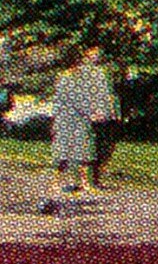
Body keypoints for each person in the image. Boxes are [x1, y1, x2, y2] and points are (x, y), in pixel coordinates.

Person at [48, 45, 121, 195]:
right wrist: (91, 112)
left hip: (82, 119)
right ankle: (56, 183)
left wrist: (106, 112)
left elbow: (100, 95)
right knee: (63, 152)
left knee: (86, 150)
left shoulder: (91, 75)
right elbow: (73, 99)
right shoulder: (66, 77)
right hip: (66, 117)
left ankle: (86, 183)